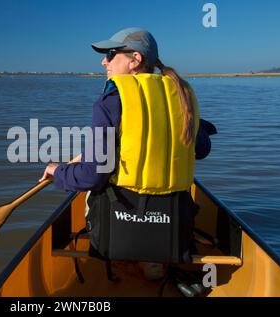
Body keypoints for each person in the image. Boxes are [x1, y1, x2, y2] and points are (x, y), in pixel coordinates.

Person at [39, 27, 216, 280]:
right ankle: (154, 259)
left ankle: (133, 257)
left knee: (90, 187)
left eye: (111, 54)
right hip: (172, 222)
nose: (104, 61)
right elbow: (202, 150)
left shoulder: (110, 100)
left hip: (121, 224)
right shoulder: (183, 97)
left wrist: (59, 171)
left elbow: (91, 176)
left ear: (135, 59)